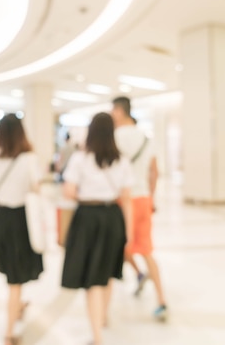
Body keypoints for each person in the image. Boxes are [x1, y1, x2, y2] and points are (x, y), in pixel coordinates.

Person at [61, 112, 134, 345]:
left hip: (88, 217)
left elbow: (68, 192)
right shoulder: (122, 160)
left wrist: (85, 192)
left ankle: (97, 336)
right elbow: (127, 197)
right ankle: (102, 317)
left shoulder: (81, 159)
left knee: (92, 279)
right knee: (107, 272)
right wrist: (129, 231)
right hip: (113, 217)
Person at [0, 114, 43, 345]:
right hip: (20, 217)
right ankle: (9, 332)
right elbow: (35, 187)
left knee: (11, 270)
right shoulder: (28, 158)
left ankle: (18, 305)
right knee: (16, 278)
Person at [111, 96, 168, 319]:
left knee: (119, 247)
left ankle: (136, 274)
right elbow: (155, 171)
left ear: (118, 111)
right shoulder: (147, 138)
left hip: (121, 200)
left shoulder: (114, 138)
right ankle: (161, 299)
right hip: (143, 198)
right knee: (146, 249)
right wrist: (152, 198)